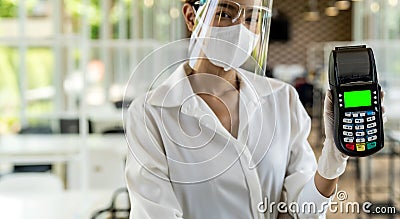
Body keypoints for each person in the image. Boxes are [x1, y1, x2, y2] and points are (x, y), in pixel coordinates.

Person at [124, 0, 360, 218]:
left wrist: (332, 158)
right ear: (191, 16)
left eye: (251, 19)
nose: (239, 29)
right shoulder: (150, 114)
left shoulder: (281, 99)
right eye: (225, 13)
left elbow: (304, 210)